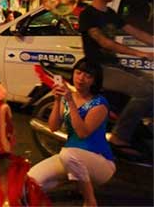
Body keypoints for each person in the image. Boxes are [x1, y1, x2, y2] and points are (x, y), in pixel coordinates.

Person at [78, 0, 154, 156]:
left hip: (115, 65)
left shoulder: (110, 14)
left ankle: (146, 129)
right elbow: (104, 42)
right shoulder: (88, 15)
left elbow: (135, 32)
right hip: (98, 69)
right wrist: (139, 53)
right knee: (145, 91)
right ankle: (120, 136)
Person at [28, 62, 115, 207]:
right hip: (72, 159)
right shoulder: (67, 98)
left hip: (101, 163)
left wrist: (70, 101)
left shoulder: (99, 104)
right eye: (78, 73)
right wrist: (57, 101)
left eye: (88, 76)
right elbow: (53, 127)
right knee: (30, 181)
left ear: (95, 81)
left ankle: (90, 200)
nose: (81, 78)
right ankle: (73, 180)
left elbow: (82, 133)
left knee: (68, 155)